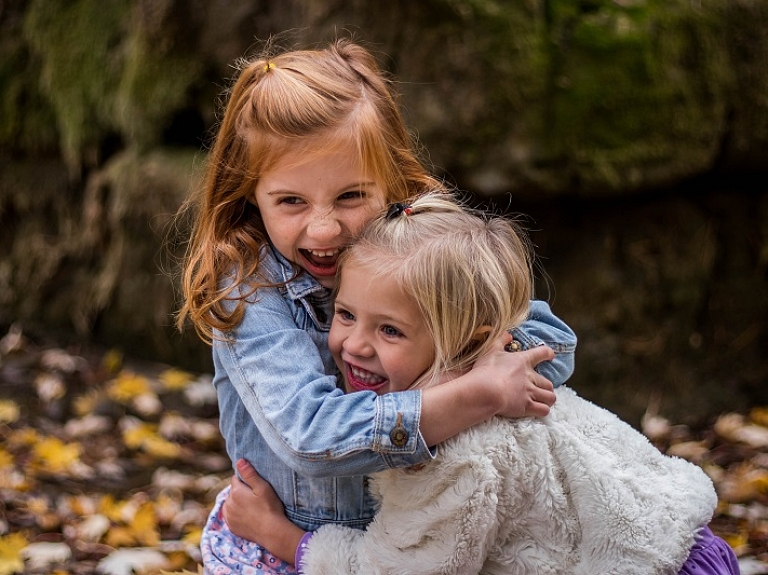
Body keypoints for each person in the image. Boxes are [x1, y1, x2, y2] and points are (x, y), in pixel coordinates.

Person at [176, 39, 576, 575]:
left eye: (350, 197)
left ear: (391, 181)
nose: (324, 229)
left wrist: (476, 367)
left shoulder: (418, 252)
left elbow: (552, 345)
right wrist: (471, 394)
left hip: (414, 541)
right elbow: (311, 436)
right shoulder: (250, 288)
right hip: (284, 546)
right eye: (291, 201)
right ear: (250, 193)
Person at [224, 193, 740, 574]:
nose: (355, 345)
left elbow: (397, 572)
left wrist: (283, 538)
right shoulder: (503, 376)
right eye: (344, 314)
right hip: (680, 540)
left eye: (390, 330)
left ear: (469, 339)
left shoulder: (455, 453)